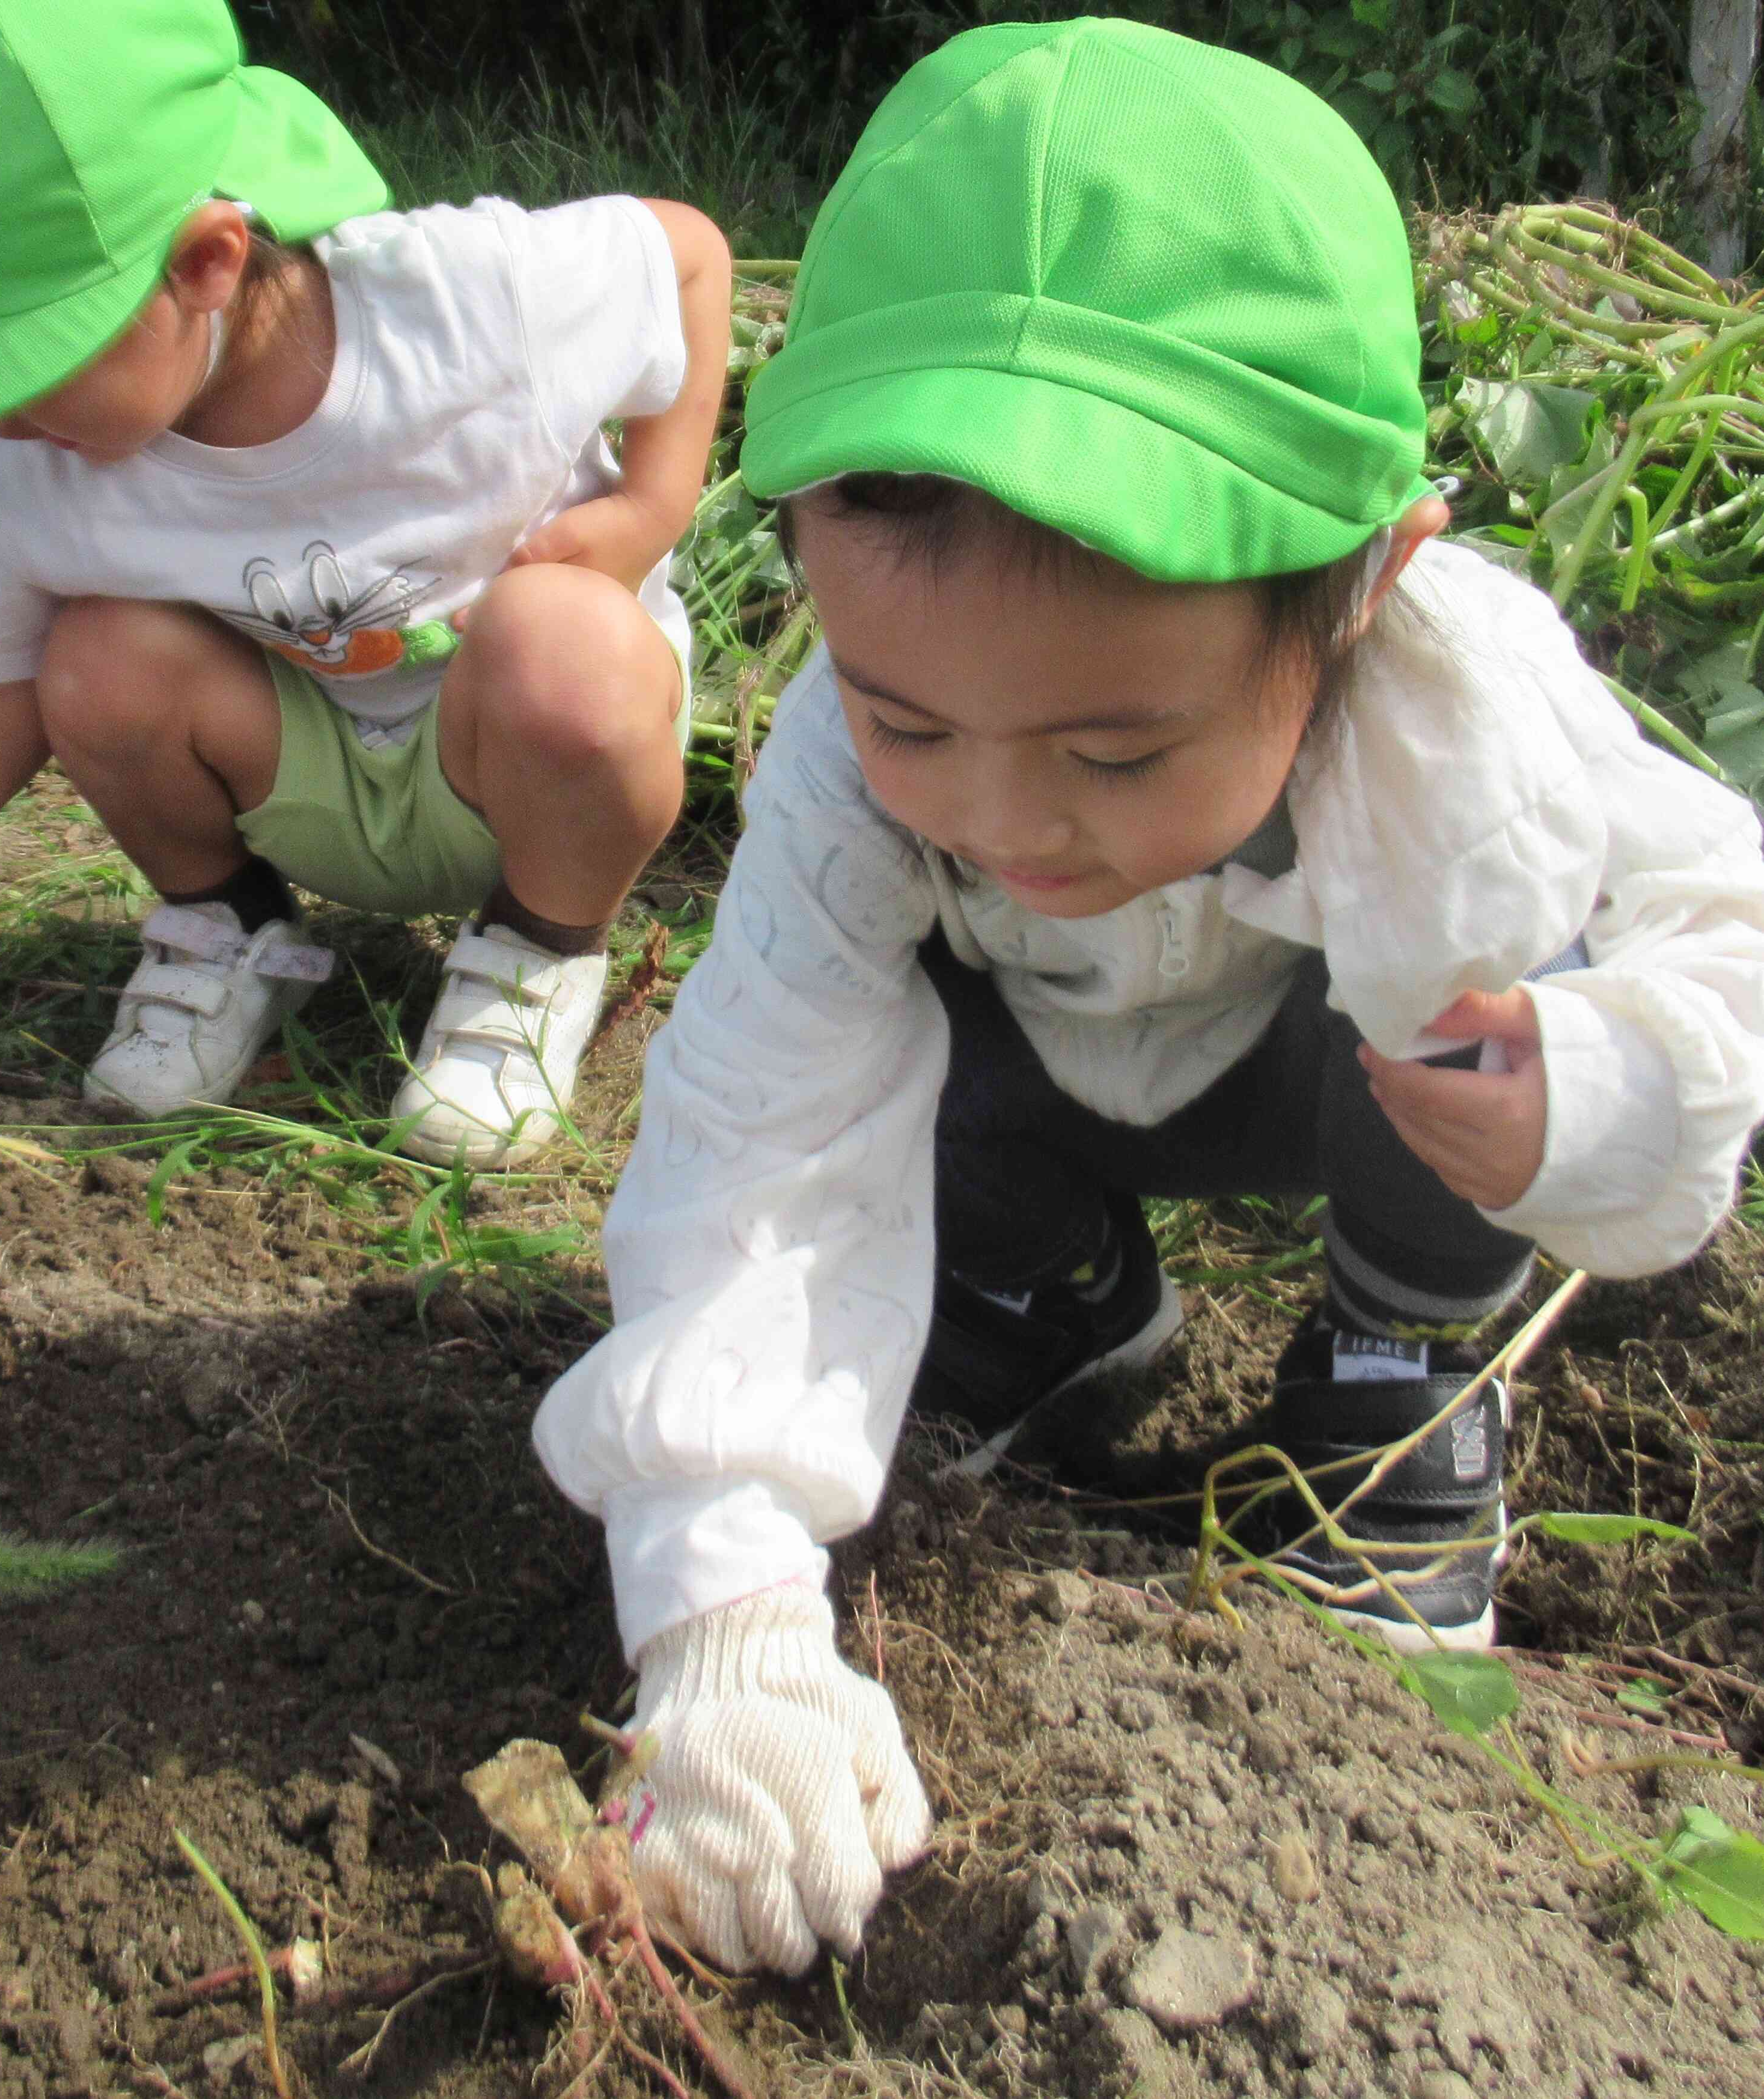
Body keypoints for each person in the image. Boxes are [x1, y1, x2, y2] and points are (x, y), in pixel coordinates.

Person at [531, 19, 1764, 1976]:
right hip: (1041, 1076)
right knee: (890, 1050)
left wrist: (1597, 1091)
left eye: (1115, 751)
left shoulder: (1465, 703)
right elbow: (759, 1130)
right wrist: (728, 1608)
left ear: (1358, 590)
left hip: (1332, 1079)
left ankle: (1400, 1376)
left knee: (1503, 973)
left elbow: (1727, 918)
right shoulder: (848, 799)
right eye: (910, 713)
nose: (1013, 816)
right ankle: (1055, 1291)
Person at [0, 0, 729, 1164]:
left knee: (564, 641)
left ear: (206, 263)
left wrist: (649, 508)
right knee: (93, 659)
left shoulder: (468, 305)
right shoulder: (35, 464)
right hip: (306, 776)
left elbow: (685, 255)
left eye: (27, 364)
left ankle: (538, 952)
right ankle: (228, 930)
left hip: (529, 770)